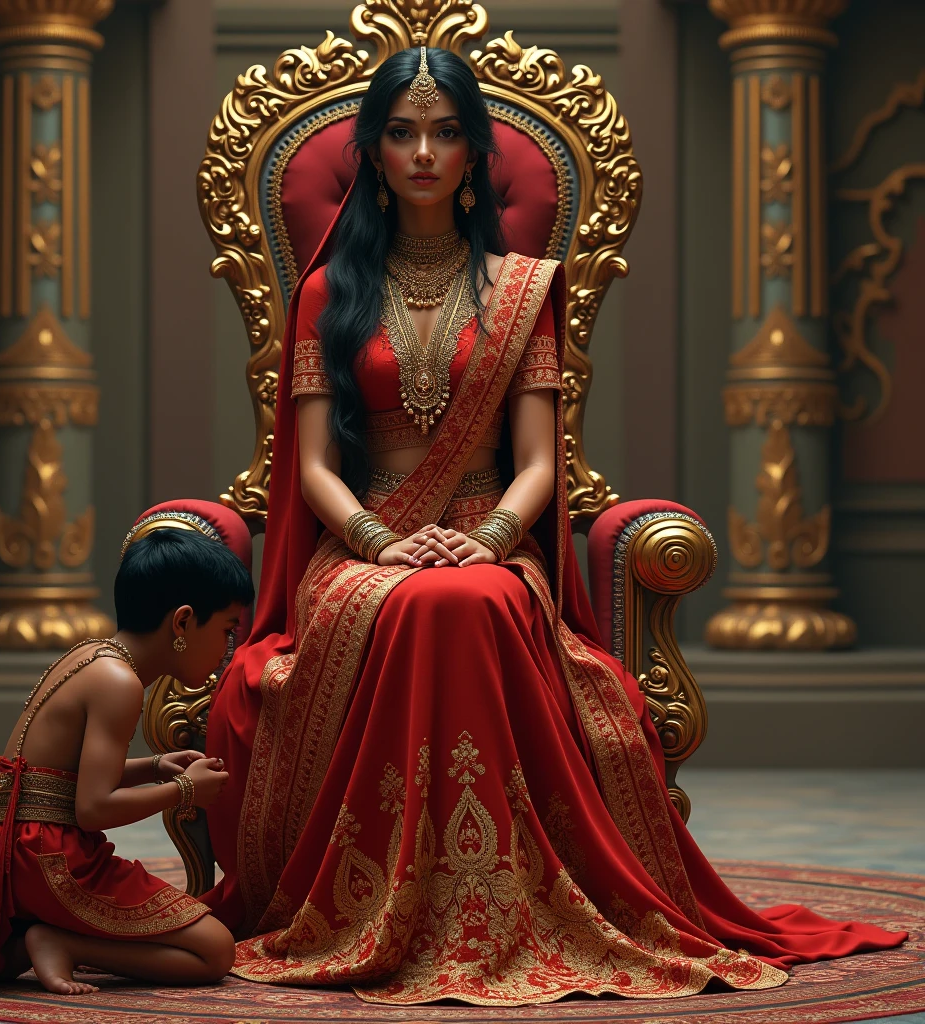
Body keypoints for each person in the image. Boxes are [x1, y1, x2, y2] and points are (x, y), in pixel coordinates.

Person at [201, 46, 905, 1006]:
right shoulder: (330, 294)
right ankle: (391, 901)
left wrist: (489, 537)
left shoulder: (524, 286)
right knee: (423, 600)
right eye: (402, 133)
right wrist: (380, 542)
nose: (423, 153)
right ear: (371, 151)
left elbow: (541, 464)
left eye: (446, 133)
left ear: (475, 153)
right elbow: (312, 467)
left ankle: (502, 900)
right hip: (364, 542)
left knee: (470, 600)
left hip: (491, 534)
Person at [0, 513, 253, 995]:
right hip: (53, 860)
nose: (228, 648)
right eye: (225, 630)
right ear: (182, 621)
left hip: (15, 854)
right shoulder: (119, 684)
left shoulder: (93, 655)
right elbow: (92, 808)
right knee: (215, 950)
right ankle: (63, 942)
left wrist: (155, 766)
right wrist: (184, 790)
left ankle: (35, 938)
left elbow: (62, 779)